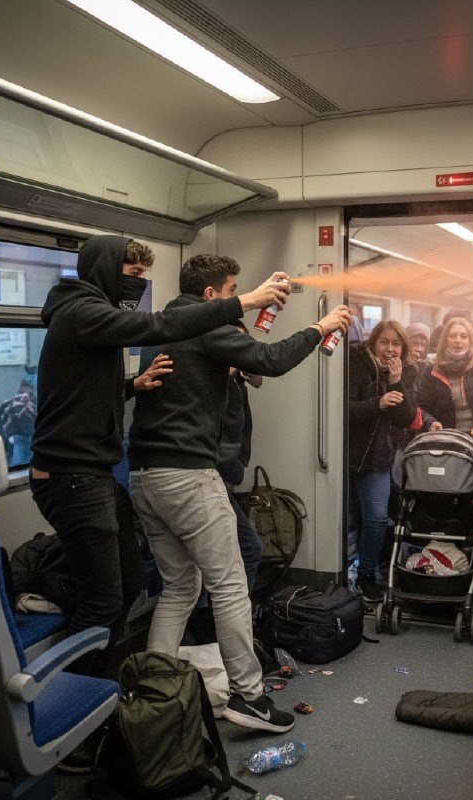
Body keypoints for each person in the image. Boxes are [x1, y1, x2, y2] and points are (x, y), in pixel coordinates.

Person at [29, 235, 290, 684]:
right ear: (106, 272)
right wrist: (246, 301)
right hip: (70, 476)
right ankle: (63, 697)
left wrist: (133, 386)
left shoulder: (93, 315)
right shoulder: (81, 311)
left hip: (94, 473)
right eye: (133, 275)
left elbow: (81, 393)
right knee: (103, 602)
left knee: (133, 585)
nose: (139, 284)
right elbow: (159, 326)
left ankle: (116, 689)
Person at [128, 253, 350, 736]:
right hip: (188, 475)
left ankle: (154, 689)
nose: (236, 299)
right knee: (229, 585)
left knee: (180, 587)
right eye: (232, 290)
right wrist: (321, 327)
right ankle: (249, 697)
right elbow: (271, 359)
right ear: (211, 295)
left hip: (144, 476)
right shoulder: (205, 324)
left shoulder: (165, 322)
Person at [348, 320, 419, 603]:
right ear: (373, 342)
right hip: (346, 453)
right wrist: (377, 403)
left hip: (378, 459)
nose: (390, 349)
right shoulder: (356, 362)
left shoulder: (407, 370)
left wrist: (396, 382)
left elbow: (407, 418)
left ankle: (365, 575)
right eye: (384, 342)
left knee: (377, 520)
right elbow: (342, 408)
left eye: (396, 344)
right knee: (348, 520)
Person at [217, 322, 264, 592]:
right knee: (248, 548)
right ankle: (225, 613)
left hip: (230, 467)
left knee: (231, 551)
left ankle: (224, 611)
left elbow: (258, 380)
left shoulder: (236, 378)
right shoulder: (211, 376)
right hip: (210, 472)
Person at [418, 316, 473, 443]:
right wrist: (430, 422)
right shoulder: (433, 367)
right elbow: (422, 406)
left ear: (471, 339)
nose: (458, 340)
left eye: (463, 336)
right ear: (445, 340)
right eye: (453, 336)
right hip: (445, 439)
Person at [0, 379, 37, 466]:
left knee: (32, 464)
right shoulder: (13, 404)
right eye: (21, 393)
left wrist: (30, 408)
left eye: (27, 394)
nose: (24, 396)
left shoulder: (34, 404)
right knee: (17, 464)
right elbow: (5, 418)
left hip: (32, 438)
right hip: (18, 438)